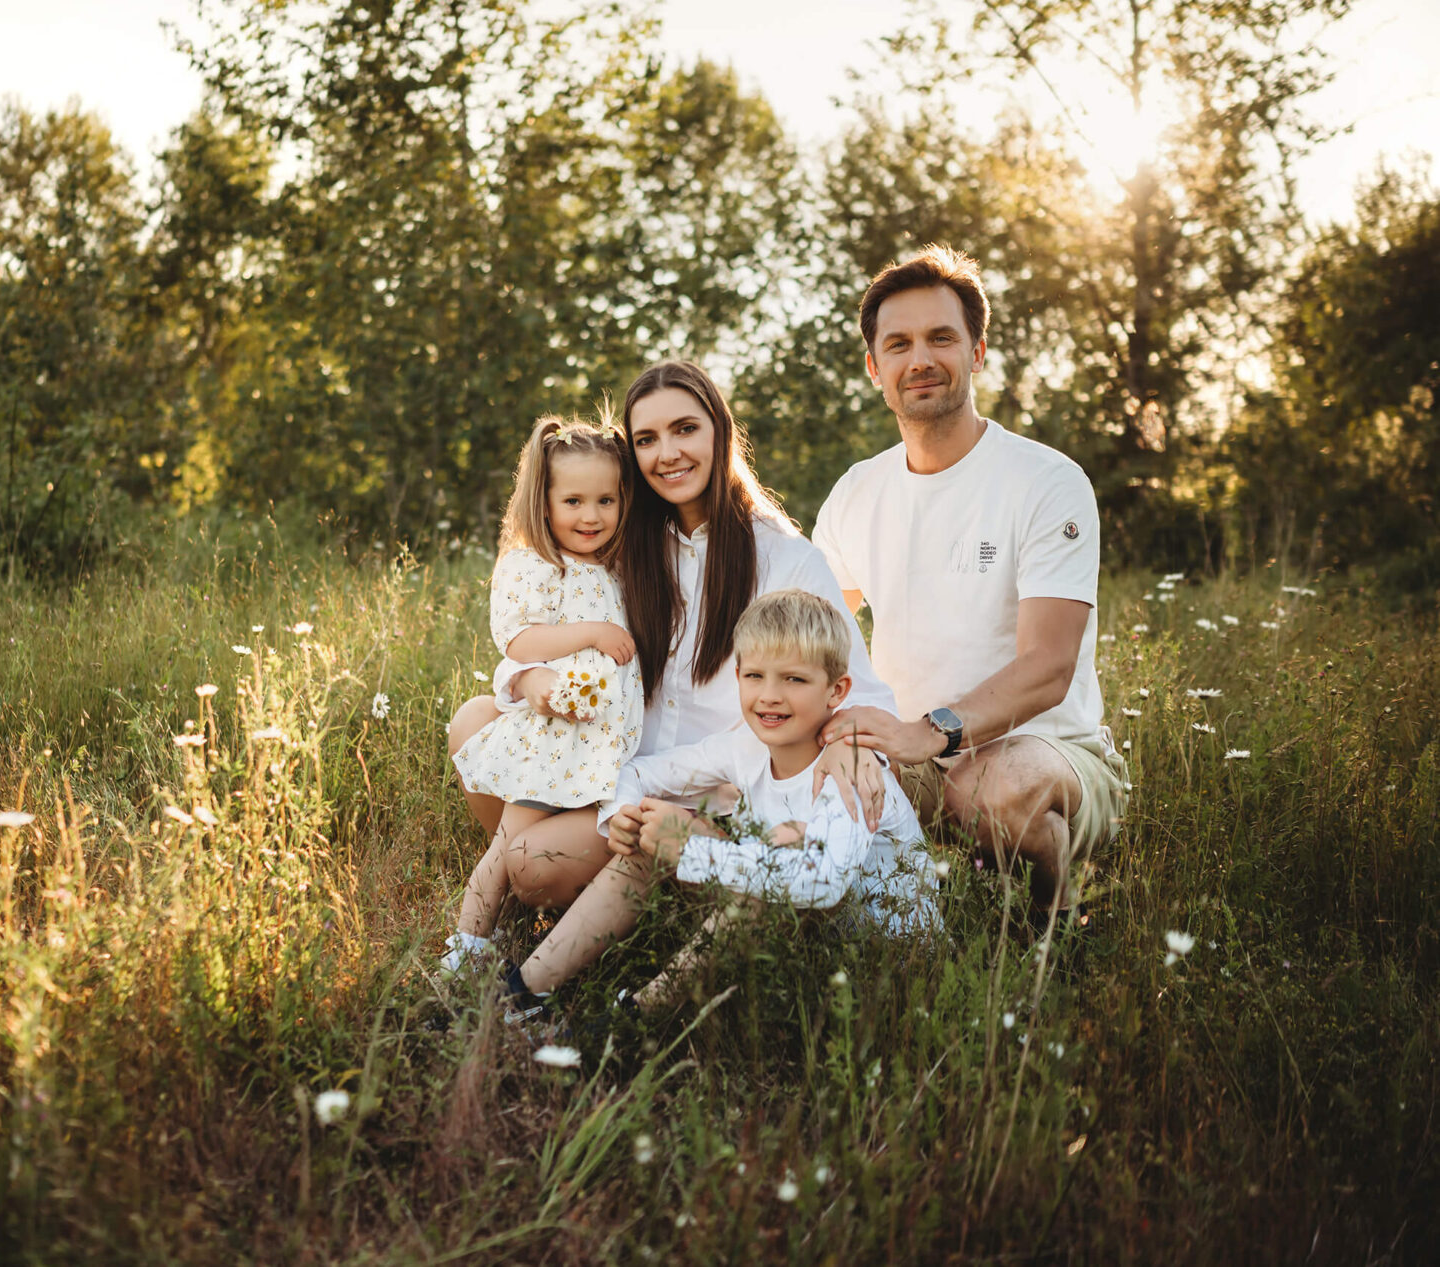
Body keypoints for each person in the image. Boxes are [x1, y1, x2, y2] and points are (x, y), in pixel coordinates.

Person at [445, 360, 898, 1010]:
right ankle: (573, 889)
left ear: (719, 430)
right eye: (648, 439)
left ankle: (604, 894)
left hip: (706, 789)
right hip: (618, 763)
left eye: (685, 428)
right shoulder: (627, 544)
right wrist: (529, 674)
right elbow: (535, 638)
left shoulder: (783, 557)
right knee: (473, 721)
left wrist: (850, 738)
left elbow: (850, 684)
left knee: (528, 861)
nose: (668, 452)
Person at [813, 244, 1129, 913]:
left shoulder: (1045, 480)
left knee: (992, 791)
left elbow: (1048, 667)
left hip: (1045, 749)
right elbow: (818, 641)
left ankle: (1061, 920)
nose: (920, 359)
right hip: (912, 756)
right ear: (875, 368)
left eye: (941, 338)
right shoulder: (855, 492)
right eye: (897, 344)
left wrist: (932, 732)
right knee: (799, 789)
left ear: (977, 352)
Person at [493, 589, 938, 1020]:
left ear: (837, 691)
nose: (770, 695)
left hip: (884, 970)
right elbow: (640, 772)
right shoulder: (745, 747)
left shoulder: (852, 768)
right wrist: (623, 814)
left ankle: (635, 1019)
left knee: (777, 861)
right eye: (755, 676)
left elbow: (821, 884)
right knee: (654, 834)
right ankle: (525, 993)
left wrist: (689, 849)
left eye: (795, 679)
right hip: (802, 948)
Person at [442, 416, 645, 974]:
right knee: (504, 849)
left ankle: (523, 921)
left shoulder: (618, 565)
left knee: (524, 851)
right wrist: (591, 634)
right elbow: (516, 638)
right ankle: (466, 950)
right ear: (544, 500)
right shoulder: (536, 565)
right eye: (574, 500)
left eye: (606, 500)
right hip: (552, 744)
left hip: (599, 746)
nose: (591, 515)